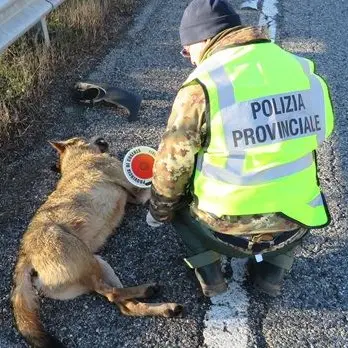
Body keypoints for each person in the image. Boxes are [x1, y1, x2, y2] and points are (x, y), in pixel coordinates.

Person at [146, 0, 334, 297]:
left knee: (172, 198)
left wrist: (158, 212)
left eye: (188, 50)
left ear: (205, 39)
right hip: (296, 222)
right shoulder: (303, 69)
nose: (191, 60)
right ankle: (273, 270)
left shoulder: (204, 84)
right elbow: (322, 132)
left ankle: (210, 273)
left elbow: (172, 166)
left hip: (224, 229)